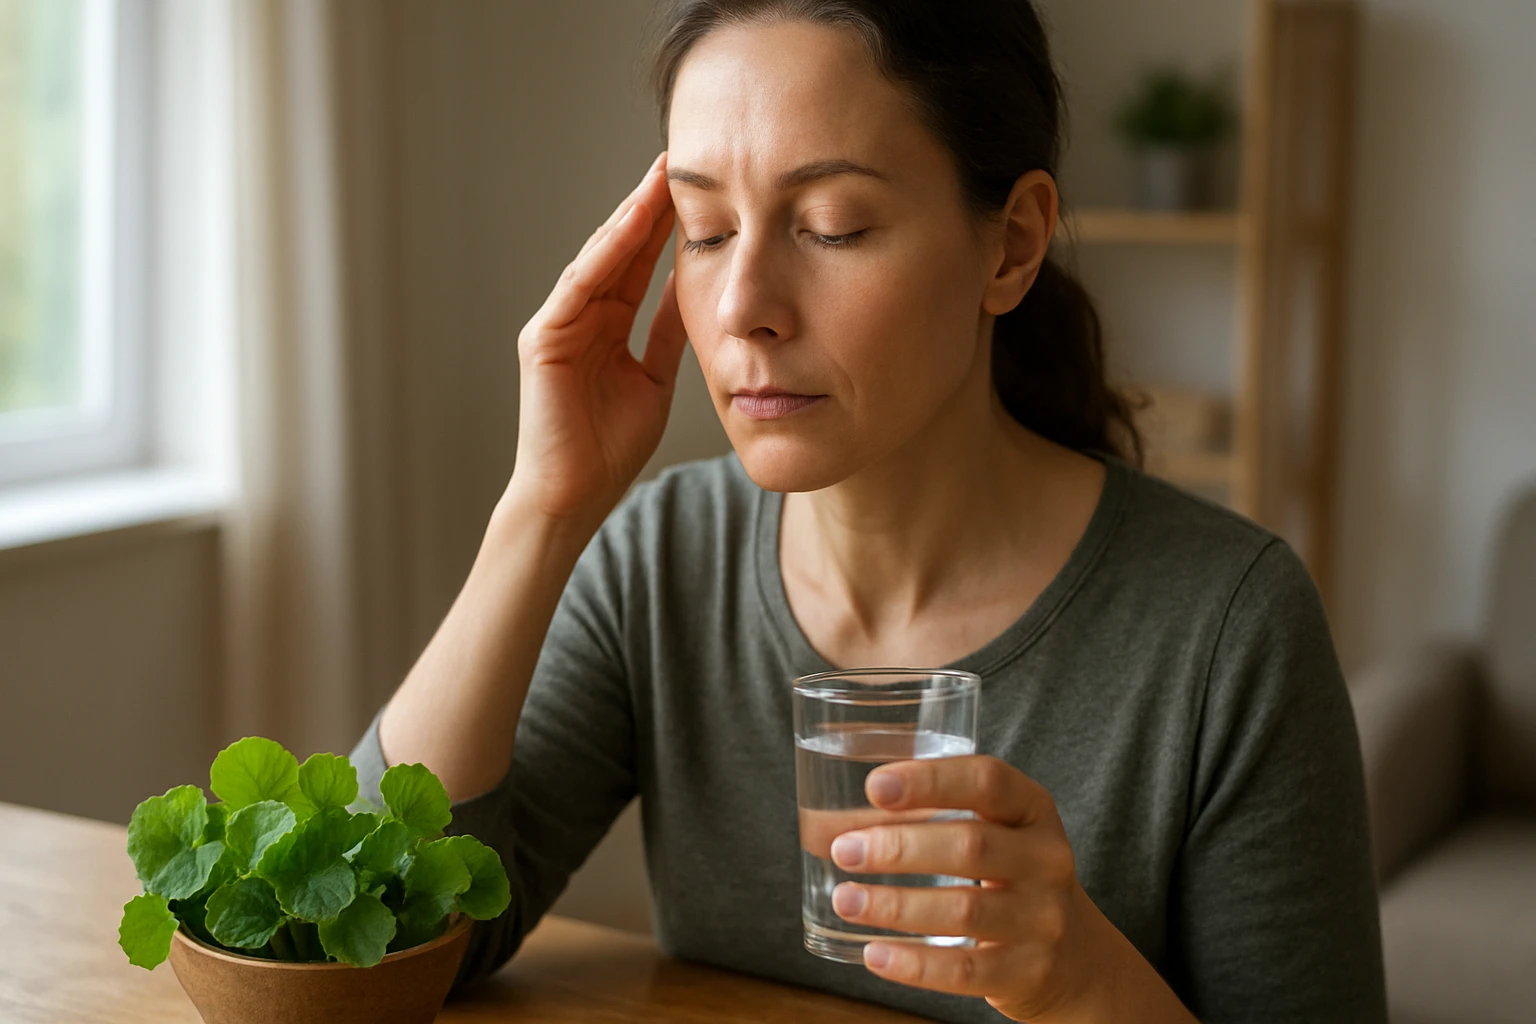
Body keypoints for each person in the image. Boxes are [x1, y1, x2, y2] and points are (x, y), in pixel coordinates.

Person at [347, 2, 1387, 1021]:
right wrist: (542, 510)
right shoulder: (664, 559)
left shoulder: (1229, 629)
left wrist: (1078, 982)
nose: (744, 303)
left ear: (1012, 245)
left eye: (831, 226)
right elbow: (381, 937)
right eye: (706, 231)